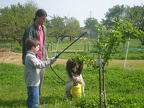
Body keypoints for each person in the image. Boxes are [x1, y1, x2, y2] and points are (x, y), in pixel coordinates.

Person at [24, 38, 56, 108]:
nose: (39, 48)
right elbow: (39, 65)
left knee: (33, 99)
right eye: (38, 47)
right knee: (34, 101)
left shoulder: (33, 56)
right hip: (32, 83)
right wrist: (50, 62)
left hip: (34, 82)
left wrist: (52, 60)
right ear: (33, 47)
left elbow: (41, 62)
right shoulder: (30, 57)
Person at [22, 9, 48, 95]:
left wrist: (46, 55)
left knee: (41, 78)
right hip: (33, 58)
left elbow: (44, 43)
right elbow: (28, 45)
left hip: (42, 57)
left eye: (45, 19)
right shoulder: (30, 29)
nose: (44, 21)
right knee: (33, 81)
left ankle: (38, 97)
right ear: (37, 17)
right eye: (43, 18)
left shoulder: (44, 28)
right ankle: (33, 99)